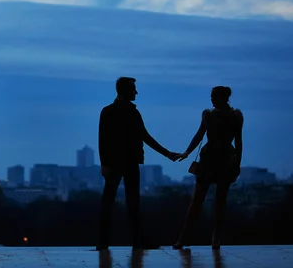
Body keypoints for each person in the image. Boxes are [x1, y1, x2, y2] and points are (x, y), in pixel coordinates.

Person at [97, 77, 180, 250]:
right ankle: (135, 241)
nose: (136, 92)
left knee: (113, 202)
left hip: (120, 163)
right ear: (125, 91)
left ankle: (105, 242)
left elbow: (106, 139)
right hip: (126, 162)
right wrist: (167, 154)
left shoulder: (113, 111)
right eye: (133, 89)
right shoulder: (126, 112)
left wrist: (105, 163)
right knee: (128, 203)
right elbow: (143, 137)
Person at [173, 86, 243, 249]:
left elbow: (238, 141)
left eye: (213, 96)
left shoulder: (229, 116)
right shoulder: (218, 116)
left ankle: (197, 238)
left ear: (223, 97)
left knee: (209, 201)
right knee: (205, 201)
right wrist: (187, 152)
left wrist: (237, 165)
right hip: (217, 159)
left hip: (219, 160)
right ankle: (192, 238)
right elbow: (199, 135)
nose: (211, 99)